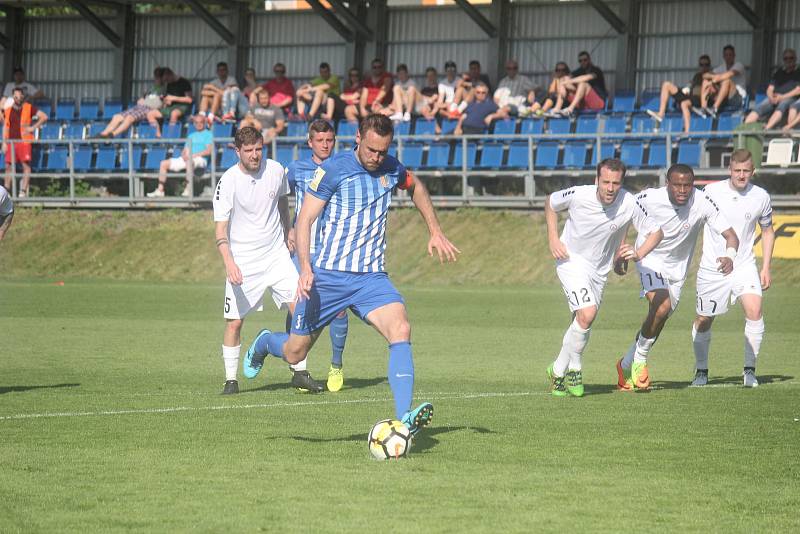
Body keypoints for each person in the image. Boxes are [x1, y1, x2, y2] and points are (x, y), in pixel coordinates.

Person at [242, 114, 460, 434]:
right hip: (327, 277)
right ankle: (264, 343)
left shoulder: (391, 167)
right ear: (358, 137)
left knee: (400, 327)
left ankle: (404, 419)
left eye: (382, 152)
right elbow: (303, 221)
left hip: (371, 279)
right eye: (371, 150)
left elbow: (415, 186)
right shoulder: (334, 170)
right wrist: (304, 268)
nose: (376, 158)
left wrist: (435, 231)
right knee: (295, 351)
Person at [212, 126, 324, 395]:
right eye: (248, 150)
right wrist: (229, 263)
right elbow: (220, 231)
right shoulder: (228, 181)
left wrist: (289, 230)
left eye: (258, 149)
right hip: (244, 260)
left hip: (276, 256)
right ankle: (230, 380)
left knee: (300, 309)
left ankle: (300, 372)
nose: (254, 155)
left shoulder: (275, 170)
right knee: (235, 322)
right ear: (237, 151)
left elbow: (282, 202)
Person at [545, 159, 663, 397]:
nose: (610, 188)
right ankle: (575, 369)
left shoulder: (629, 203)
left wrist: (638, 253)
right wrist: (553, 239)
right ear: (596, 180)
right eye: (605, 182)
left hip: (598, 271)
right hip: (570, 259)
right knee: (587, 313)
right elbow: (550, 203)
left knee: (581, 321)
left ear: (622, 182)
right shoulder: (579, 195)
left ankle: (557, 369)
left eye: (615, 183)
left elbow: (656, 232)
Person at [615, 164, 739, 391]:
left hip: (677, 272)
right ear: (667, 184)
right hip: (648, 260)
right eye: (678, 185)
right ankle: (640, 362)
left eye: (687, 185)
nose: (683, 190)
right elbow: (625, 214)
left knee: (658, 320)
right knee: (661, 307)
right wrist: (621, 249)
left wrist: (730, 256)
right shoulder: (649, 198)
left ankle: (625, 364)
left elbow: (731, 236)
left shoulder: (701, 202)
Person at [691, 149, 774, 388]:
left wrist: (766, 267)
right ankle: (701, 370)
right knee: (704, 319)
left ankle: (750, 370)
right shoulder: (710, 192)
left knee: (755, 310)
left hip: (744, 264)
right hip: (713, 267)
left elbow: (768, 231)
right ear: (729, 170)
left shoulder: (761, 196)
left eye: (746, 171)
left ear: (753, 171)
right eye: (737, 171)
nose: (741, 175)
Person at [284, 120, 349, 392]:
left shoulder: (343, 168)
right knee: (297, 306)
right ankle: (301, 369)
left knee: (339, 309)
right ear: (309, 142)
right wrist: (288, 225)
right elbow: (278, 195)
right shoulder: (297, 169)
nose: (325, 145)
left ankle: (336, 365)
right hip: (302, 250)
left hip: (332, 250)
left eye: (330, 140)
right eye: (320, 140)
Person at [147, 114, 214, 198]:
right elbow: (185, 150)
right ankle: (160, 190)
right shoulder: (191, 135)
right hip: (189, 158)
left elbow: (208, 151)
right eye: (196, 122)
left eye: (201, 122)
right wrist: (184, 155)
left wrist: (192, 155)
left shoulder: (209, 134)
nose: (199, 124)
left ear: (204, 123)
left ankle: (188, 189)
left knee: (189, 161)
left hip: (200, 159)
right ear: (194, 124)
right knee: (164, 163)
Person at [647, 55, 713, 133]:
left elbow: (712, 92)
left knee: (684, 104)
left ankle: (687, 132)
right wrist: (687, 88)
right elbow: (690, 85)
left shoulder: (712, 75)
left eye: (706, 65)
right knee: (666, 85)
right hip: (690, 97)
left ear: (709, 65)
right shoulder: (697, 76)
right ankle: (661, 114)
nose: (704, 67)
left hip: (700, 100)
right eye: (701, 65)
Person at [3, 88, 48, 197]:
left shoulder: (29, 107)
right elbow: (6, 126)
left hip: (24, 142)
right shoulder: (8, 110)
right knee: (8, 166)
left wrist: (33, 128)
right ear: (13, 97)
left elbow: (44, 116)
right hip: (11, 142)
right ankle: (6, 192)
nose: (18, 98)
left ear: (23, 96)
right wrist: (4, 142)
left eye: (20, 96)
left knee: (26, 166)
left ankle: (22, 191)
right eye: (16, 96)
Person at [99, 67, 164, 138]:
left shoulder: (164, 88)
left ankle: (112, 135)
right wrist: (141, 99)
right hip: (139, 107)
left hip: (149, 109)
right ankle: (103, 134)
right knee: (116, 117)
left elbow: (164, 103)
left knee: (129, 118)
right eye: (156, 76)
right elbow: (143, 98)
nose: (156, 79)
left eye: (158, 77)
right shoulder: (152, 88)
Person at [745, 49, 800, 130]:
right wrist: (771, 97)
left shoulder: (798, 72)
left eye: (791, 58)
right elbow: (770, 88)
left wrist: (782, 97)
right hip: (774, 97)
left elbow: (798, 90)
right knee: (760, 107)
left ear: (795, 59)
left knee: (782, 105)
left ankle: (766, 128)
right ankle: (744, 128)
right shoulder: (779, 72)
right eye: (786, 58)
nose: (788, 60)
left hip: (789, 98)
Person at [700, 45, 746, 118]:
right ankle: (703, 109)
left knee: (726, 81)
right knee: (706, 82)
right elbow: (705, 75)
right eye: (726, 55)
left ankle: (714, 108)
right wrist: (713, 78)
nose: (728, 57)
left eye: (730, 55)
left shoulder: (739, 65)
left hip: (737, 99)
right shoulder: (721, 67)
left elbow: (728, 74)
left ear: (734, 56)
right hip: (723, 97)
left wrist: (716, 78)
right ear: (723, 56)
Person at [556, 51, 607, 116]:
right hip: (583, 102)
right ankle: (557, 109)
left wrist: (565, 82)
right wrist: (562, 83)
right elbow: (567, 78)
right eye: (580, 61)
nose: (583, 62)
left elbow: (586, 78)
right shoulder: (579, 71)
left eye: (585, 60)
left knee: (583, 84)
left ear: (589, 60)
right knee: (564, 79)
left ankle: (570, 108)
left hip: (598, 103)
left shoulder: (596, 70)